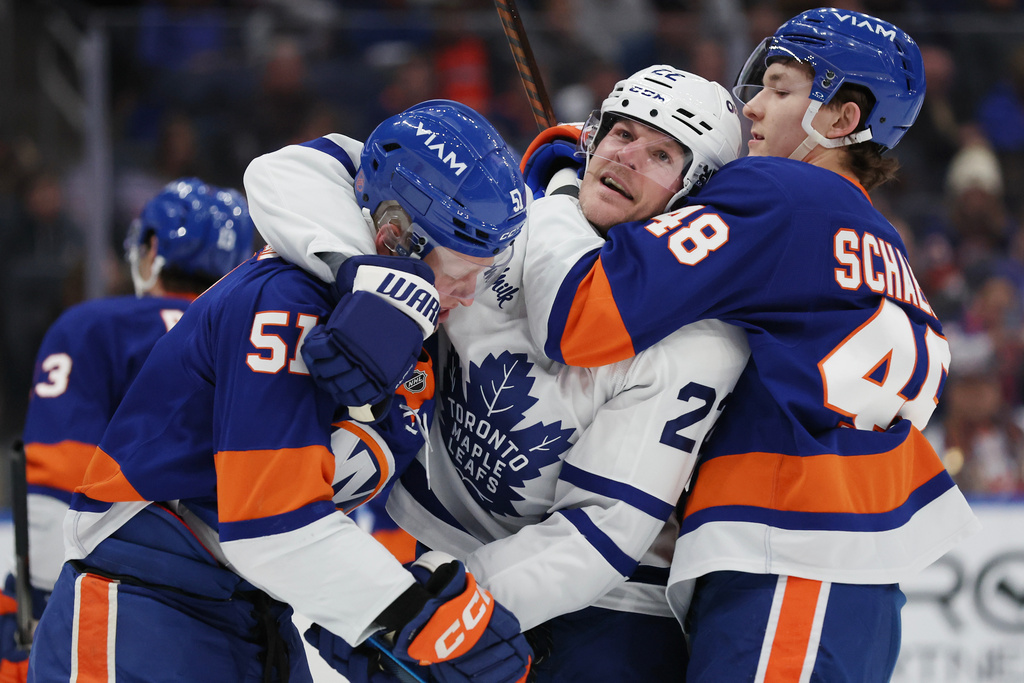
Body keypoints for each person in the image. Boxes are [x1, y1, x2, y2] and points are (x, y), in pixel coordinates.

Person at [513, 8, 980, 681]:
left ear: (842, 120)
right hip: (841, 569)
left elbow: (581, 318)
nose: (753, 106)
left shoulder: (778, 193)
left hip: (791, 548)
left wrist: (564, 187)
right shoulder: (877, 236)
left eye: (781, 89)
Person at [250, 65, 748, 681]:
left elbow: (598, 532)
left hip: (604, 611)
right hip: (443, 547)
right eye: (621, 134)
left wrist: (434, 610)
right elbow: (300, 170)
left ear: (694, 194)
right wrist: (368, 279)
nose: (627, 157)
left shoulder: (697, 340)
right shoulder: (509, 218)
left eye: (661, 155)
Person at [26, 101, 533, 683]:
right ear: (395, 237)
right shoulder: (285, 301)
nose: (468, 296)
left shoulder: (409, 337)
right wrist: (404, 616)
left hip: (254, 616)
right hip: (143, 610)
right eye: (460, 272)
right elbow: (268, 524)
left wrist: (368, 617)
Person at [0, 177, 255, 681]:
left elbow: (55, 483)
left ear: (152, 249)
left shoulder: (94, 326)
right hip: (251, 609)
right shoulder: (258, 336)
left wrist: (37, 614)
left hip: (119, 603)